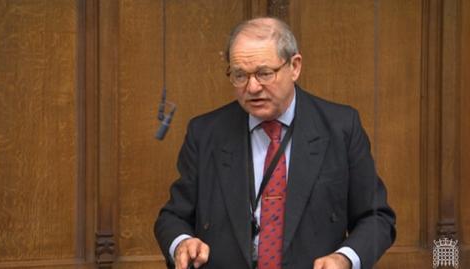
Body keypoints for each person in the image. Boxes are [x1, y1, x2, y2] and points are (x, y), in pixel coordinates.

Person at [154, 17, 396, 269]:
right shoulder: (205, 132)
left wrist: (345, 258)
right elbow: (173, 216)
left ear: (295, 66)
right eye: (240, 75)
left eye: (264, 73)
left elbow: (377, 218)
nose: (253, 87)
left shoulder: (341, 127)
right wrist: (181, 242)